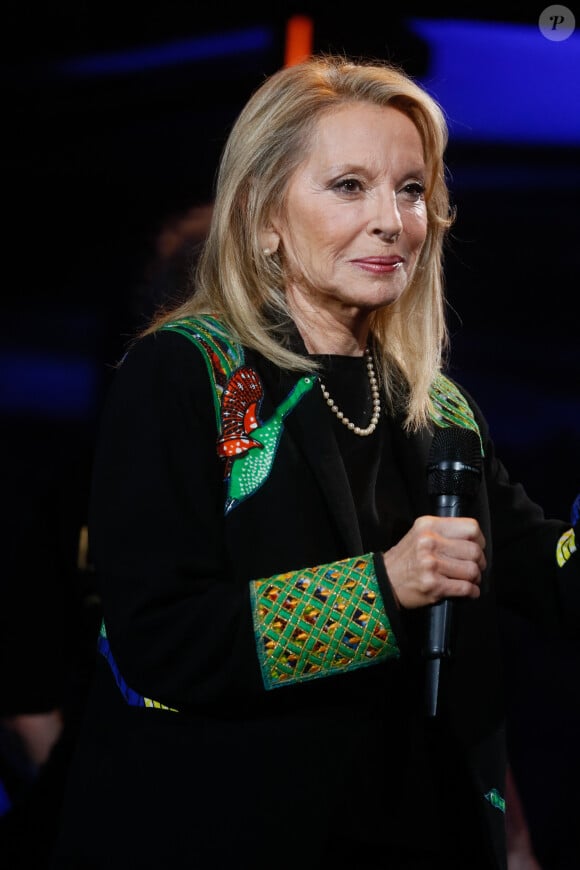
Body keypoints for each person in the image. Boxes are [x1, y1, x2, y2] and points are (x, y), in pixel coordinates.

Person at [49, 54, 579, 869]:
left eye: (410, 189)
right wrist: (380, 588)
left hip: (410, 832)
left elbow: (545, 569)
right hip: (227, 834)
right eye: (348, 186)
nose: (392, 221)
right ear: (264, 214)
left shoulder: (433, 407)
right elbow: (160, 638)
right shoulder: (186, 372)